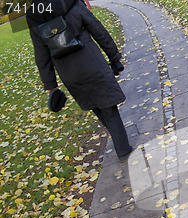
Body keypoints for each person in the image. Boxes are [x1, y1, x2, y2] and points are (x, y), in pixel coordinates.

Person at [26, 0, 133, 159]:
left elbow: (41, 53)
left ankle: (121, 143)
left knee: (96, 105)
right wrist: (114, 56)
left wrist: (51, 86)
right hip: (91, 60)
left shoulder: (33, 14)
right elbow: (97, 28)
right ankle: (123, 150)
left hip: (68, 71)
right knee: (108, 106)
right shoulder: (71, 2)